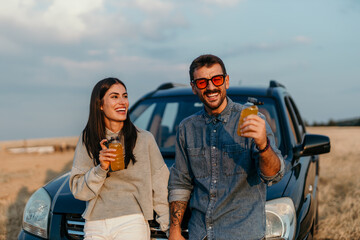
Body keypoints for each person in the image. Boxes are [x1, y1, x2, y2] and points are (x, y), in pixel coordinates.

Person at [168, 54, 285, 240]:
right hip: (201, 234)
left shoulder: (252, 119)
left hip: (243, 234)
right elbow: (180, 182)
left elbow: (273, 175)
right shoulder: (186, 128)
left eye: (216, 79)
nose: (211, 87)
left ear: (226, 81)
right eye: (202, 82)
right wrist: (174, 230)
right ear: (193, 87)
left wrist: (263, 145)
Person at [69, 77, 169, 240]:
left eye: (125, 96)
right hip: (95, 223)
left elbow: (161, 186)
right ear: (100, 105)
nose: (123, 102)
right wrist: (100, 169)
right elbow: (79, 191)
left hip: (132, 220)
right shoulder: (88, 139)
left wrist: (169, 227)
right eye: (115, 97)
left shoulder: (144, 139)